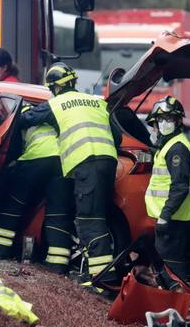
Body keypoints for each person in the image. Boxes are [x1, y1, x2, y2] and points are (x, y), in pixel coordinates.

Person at [18, 63, 119, 289]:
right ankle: (102, 275)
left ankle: (103, 279)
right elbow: (118, 136)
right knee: (98, 215)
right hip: (108, 162)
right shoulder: (96, 101)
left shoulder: (57, 103)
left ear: (54, 87)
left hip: (85, 162)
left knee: (89, 221)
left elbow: (28, 119)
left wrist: (21, 112)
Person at [0, 111, 75, 273]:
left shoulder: (23, 116)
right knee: (58, 214)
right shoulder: (57, 116)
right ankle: (58, 265)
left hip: (36, 159)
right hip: (63, 163)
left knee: (12, 205)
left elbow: (11, 148)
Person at [143, 96, 190, 293]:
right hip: (188, 215)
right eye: (161, 120)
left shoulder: (176, 148)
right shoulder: (170, 146)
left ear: (178, 122)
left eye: (169, 119)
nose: (165, 124)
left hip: (176, 218)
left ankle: (185, 307)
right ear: (155, 124)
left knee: (173, 267)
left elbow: (179, 186)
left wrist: (165, 215)